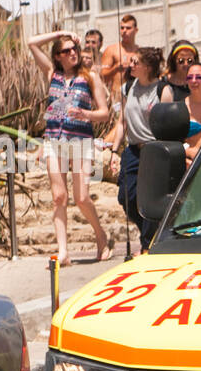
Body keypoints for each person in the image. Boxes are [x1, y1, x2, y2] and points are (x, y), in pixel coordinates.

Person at [28, 29, 113, 266]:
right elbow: (31, 41)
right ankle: (63, 252)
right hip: (54, 141)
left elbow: (105, 113)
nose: (72, 53)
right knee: (58, 197)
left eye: (74, 49)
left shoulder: (90, 77)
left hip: (80, 142)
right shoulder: (51, 74)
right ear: (58, 56)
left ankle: (100, 235)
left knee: (82, 197)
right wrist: (61, 33)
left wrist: (85, 113)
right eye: (66, 50)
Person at [107, 46, 164, 248]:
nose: (130, 65)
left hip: (154, 149)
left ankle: (147, 244)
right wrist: (114, 150)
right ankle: (150, 233)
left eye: (135, 62)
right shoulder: (128, 88)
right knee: (126, 197)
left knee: (148, 198)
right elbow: (122, 121)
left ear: (147, 67)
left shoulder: (162, 90)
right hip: (132, 149)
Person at [100, 15, 139, 104]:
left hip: (136, 97)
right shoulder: (112, 50)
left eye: (128, 28)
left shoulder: (140, 52)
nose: (124, 31)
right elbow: (102, 77)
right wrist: (115, 69)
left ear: (136, 30)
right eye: (122, 28)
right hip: (117, 99)